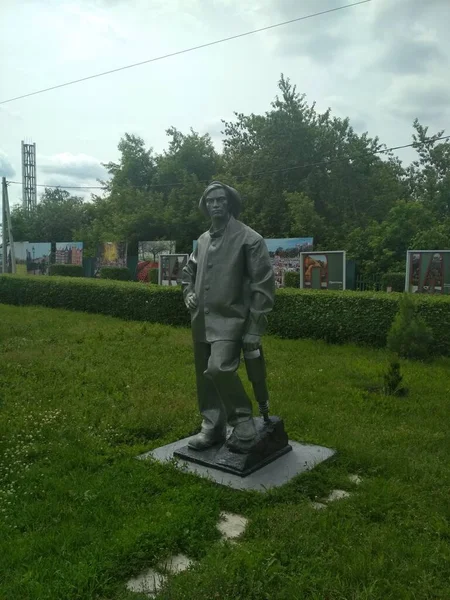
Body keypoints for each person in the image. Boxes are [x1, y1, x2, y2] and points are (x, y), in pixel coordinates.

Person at [182, 181, 275, 452]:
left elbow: (263, 285)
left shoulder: (250, 239)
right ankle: (212, 427)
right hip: (200, 320)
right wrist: (188, 292)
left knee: (218, 368)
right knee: (205, 376)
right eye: (210, 201)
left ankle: (243, 421)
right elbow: (188, 273)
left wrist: (255, 328)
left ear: (230, 203)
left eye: (220, 200)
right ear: (205, 206)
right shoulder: (202, 240)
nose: (215, 205)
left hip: (232, 320)